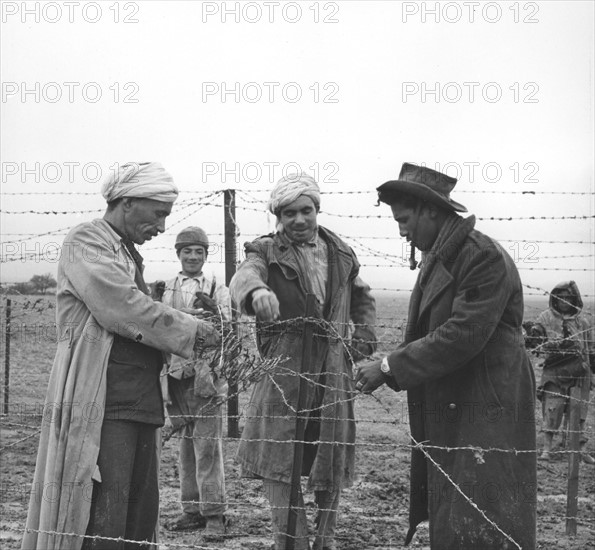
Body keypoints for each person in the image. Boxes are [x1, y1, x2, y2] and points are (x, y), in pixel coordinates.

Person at [22, 162, 219, 550]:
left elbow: (137, 310)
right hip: (103, 400)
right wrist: (191, 330)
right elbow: (121, 308)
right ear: (127, 202)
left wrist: (181, 319)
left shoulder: (126, 252)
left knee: (138, 518)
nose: (162, 227)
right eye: (158, 213)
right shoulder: (87, 241)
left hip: (141, 402)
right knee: (103, 517)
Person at [355, 163, 537, 549]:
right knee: (456, 511)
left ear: (431, 211)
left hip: (486, 407)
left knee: (486, 513)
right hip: (454, 403)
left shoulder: (481, 257)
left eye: (404, 220)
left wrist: (389, 367)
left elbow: (460, 336)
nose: (401, 230)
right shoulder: (440, 256)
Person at [230, 173, 377, 550]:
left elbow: (361, 297)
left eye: (306, 211)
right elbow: (245, 276)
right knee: (281, 460)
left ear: (317, 209)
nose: (299, 220)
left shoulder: (341, 253)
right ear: (278, 216)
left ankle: (324, 540)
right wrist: (257, 291)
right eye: (289, 213)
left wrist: (364, 335)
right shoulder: (264, 250)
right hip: (285, 369)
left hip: (332, 369)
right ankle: (291, 541)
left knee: (330, 454)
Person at [160, 226, 230, 536]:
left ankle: (214, 514)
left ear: (205, 255)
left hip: (206, 376)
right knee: (186, 448)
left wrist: (214, 312)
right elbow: (158, 324)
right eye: (186, 251)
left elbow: (228, 328)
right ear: (179, 254)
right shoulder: (167, 286)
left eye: (198, 251)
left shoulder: (218, 286)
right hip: (176, 375)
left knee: (208, 448)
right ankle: (191, 509)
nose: (192, 256)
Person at [535, 281, 594, 464]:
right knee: (552, 408)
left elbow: (590, 347)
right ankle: (546, 450)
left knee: (580, 411)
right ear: (555, 298)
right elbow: (536, 339)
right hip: (554, 371)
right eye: (561, 297)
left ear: (575, 299)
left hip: (580, 371)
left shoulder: (583, 320)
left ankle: (580, 450)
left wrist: (591, 370)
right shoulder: (545, 318)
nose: (564, 301)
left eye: (569, 297)